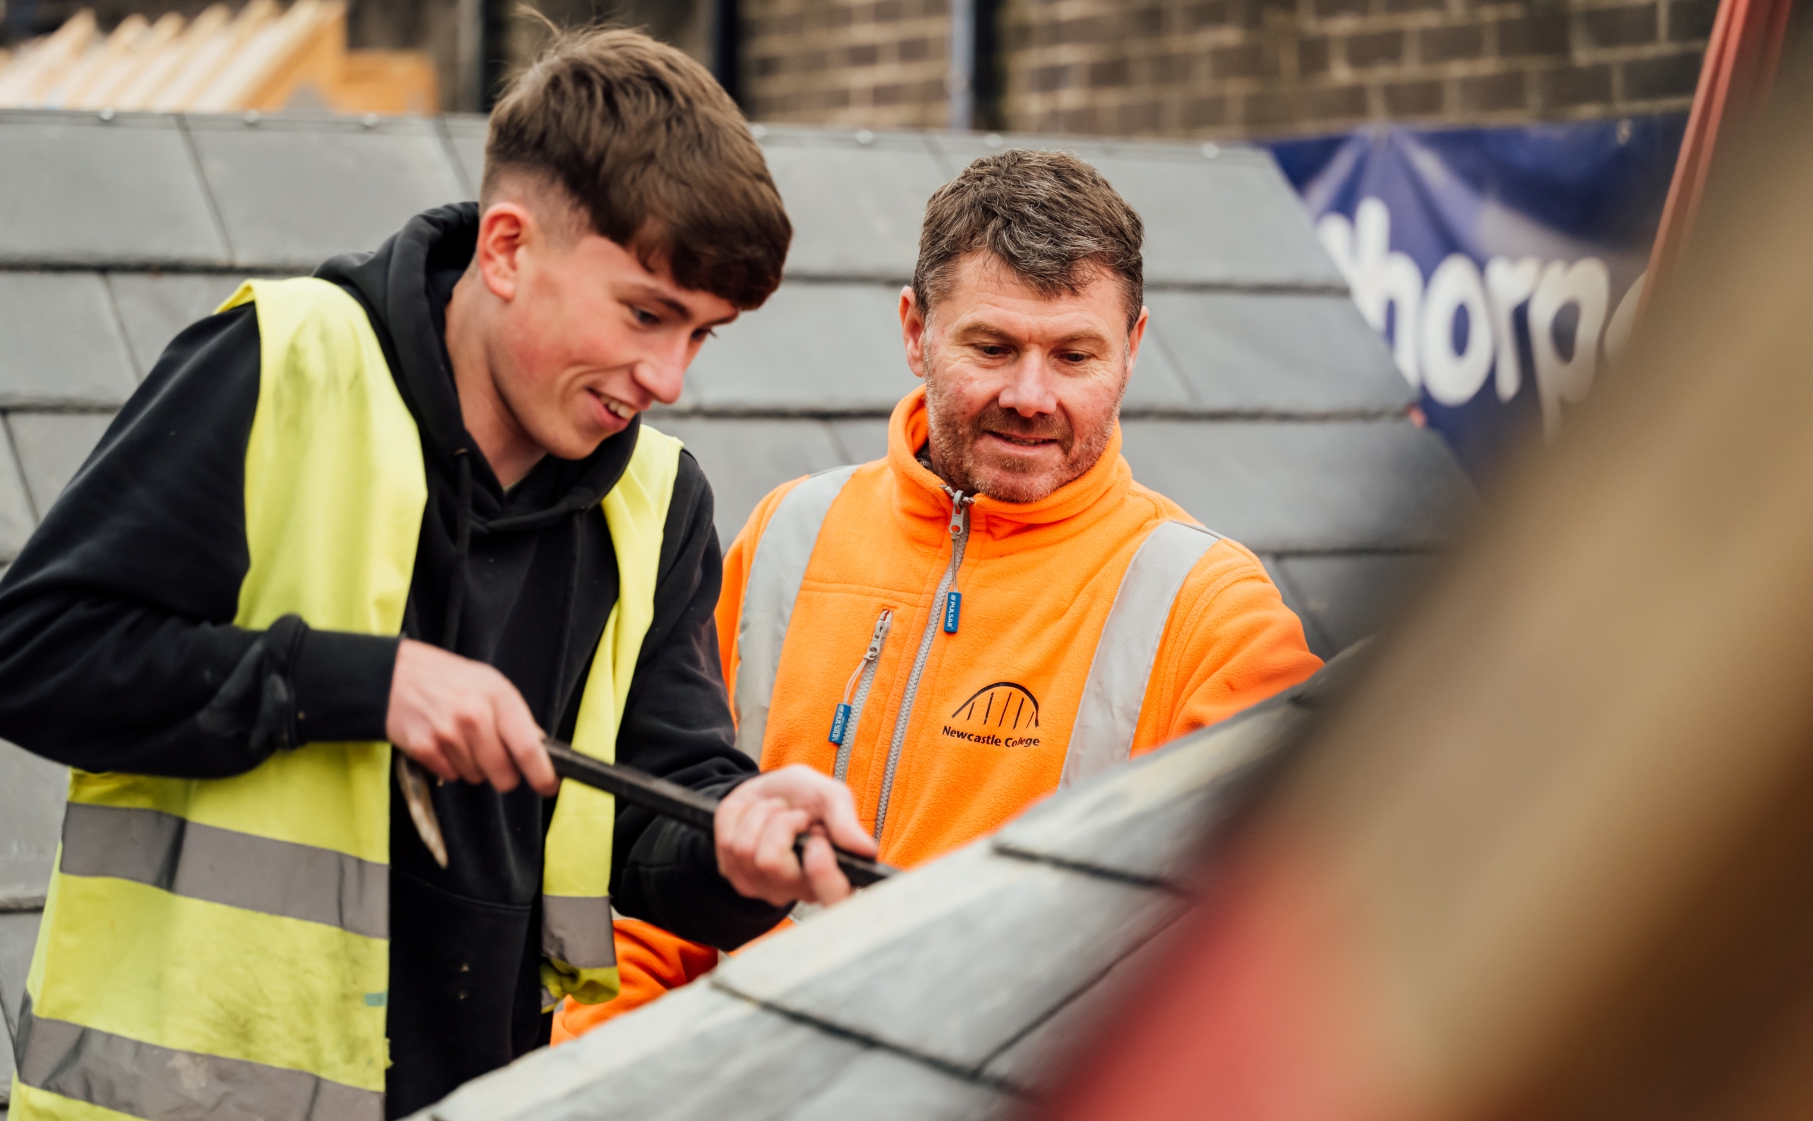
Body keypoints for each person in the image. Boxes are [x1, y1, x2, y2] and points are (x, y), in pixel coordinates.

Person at [0, 29, 874, 1121]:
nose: (667, 376)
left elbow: (658, 813)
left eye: (703, 335)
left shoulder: (659, 502)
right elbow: (28, 656)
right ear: (508, 248)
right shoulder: (282, 364)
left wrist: (740, 838)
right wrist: (362, 681)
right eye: (647, 313)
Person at [554, 148, 1323, 1043]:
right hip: (734, 1120)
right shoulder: (789, 535)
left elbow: (1262, 976)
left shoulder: (1212, 616)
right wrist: (571, 1086)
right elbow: (663, 875)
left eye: (1075, 355)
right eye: (992, 348)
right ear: (916, 331)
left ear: (1134, 348)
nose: (1031, 396)